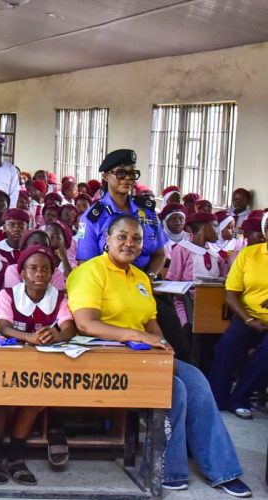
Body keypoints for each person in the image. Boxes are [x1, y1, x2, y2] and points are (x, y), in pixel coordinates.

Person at [66, 214, 251, 497]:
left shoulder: (140, 277)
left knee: (197, 380)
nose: (129, 243)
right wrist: (139, 336)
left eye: (136, 239)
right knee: (173, 388)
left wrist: (162, 344)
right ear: (107, 239)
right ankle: (168, 469)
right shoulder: (89, 272)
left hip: (140, 354)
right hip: (101, 354)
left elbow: (150, 321)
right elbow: (86, 323)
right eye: (122, 237)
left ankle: (222, 470)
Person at [74, 149, 189, 360]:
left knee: (173, 325)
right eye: (121, 173)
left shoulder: (147, 211)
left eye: (132, 174)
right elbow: (85, 264)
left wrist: (149, 277)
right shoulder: (92, 217)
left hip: (145, 283)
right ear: (106, 176)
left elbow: (159, 254)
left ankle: (177, 372)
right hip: (109, 285)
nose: (127, 179)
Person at [0, 245, 76, 484]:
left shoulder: (58, 297)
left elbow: (69, 326)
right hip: (9, 362)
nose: (39, 273)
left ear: (51, 274)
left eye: (45, 269)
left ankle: (16, 456)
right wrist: (29, 337)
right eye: (33, 268)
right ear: (22, 273)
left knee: (33, 398)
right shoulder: (8, 294)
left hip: (40, 365)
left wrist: (56, 336)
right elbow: (3, 325)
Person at [208, 212, 268, 421]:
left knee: (265, 354)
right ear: (265, 232)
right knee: (226, 346)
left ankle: (240, 399)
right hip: (248, 317)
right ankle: (218, 397)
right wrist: (249, 320)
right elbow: (231, 294)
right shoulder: (248, 254)